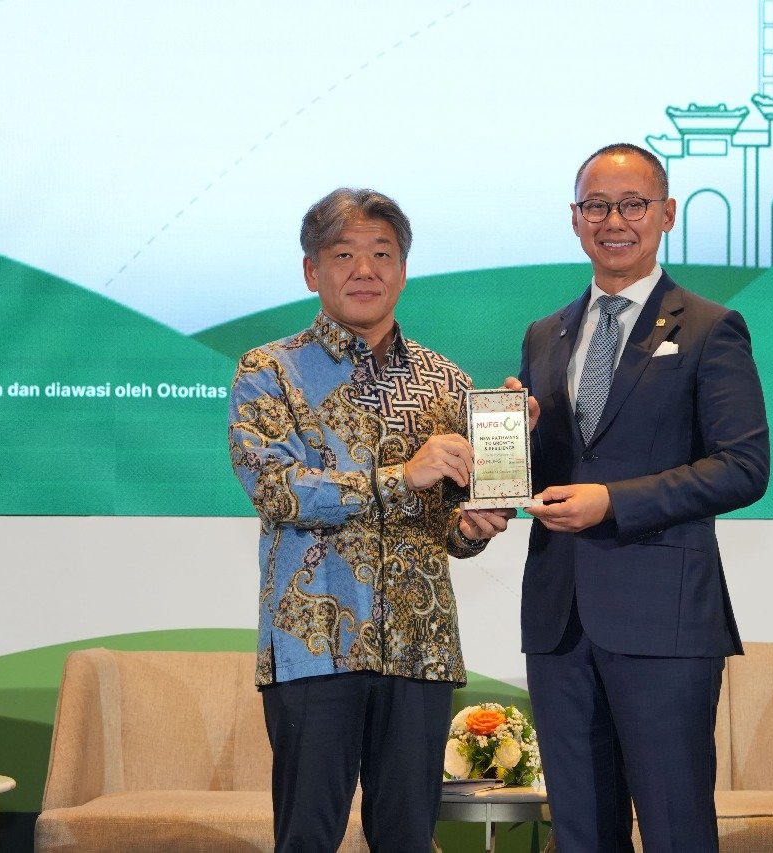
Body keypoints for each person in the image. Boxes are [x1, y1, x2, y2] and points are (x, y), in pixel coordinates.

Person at [228, 187, 512, 852]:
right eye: (344, 254)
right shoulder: (269, 371)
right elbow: (276, 490)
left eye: (382, 254)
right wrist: (401, 476)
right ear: (312, 271)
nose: (365, 269)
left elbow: (446, 526)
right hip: (314, 646)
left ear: (403, 271)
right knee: (307, 837)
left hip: (421, 648)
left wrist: (473, 525)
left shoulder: (446, 381)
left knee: (409, 839)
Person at [515, 143, 770, 852]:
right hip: (560, 621)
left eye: (632, 205)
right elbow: (554, 473)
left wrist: (612, 502)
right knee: (581, 833)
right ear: (575, 218)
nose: (614, 221)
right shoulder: (544, 334)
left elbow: (744, 467)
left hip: (666, 624)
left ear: (666, 214)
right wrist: (515, 447)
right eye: (597, 206)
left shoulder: (710, 327)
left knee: (674, 827)